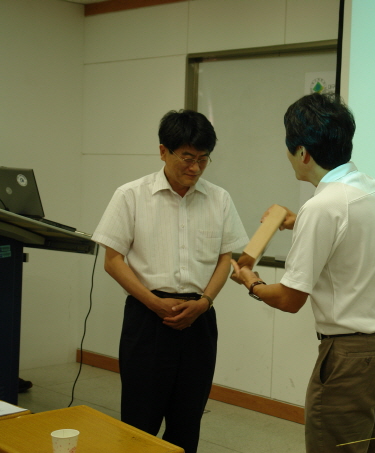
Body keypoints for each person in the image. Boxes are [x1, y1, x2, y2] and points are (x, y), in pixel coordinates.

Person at [231, 93, 375, 453]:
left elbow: (290, 299)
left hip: (351, 358)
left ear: (303, 153)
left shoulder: (322, 206)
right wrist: (298, 221)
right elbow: (349, 234)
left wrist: (252, 281)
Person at [92, 109, 248, 453]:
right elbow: (113, 261)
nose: (195, 168)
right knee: (139, 421)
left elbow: (225, 259)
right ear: (163, 151)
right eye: (187, 157)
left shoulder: (219, 199)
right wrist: (153, 302)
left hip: (199, 318)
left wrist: (205, 302)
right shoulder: (131, 195)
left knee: (187, 420)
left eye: (204, 159)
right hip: (147, 318)